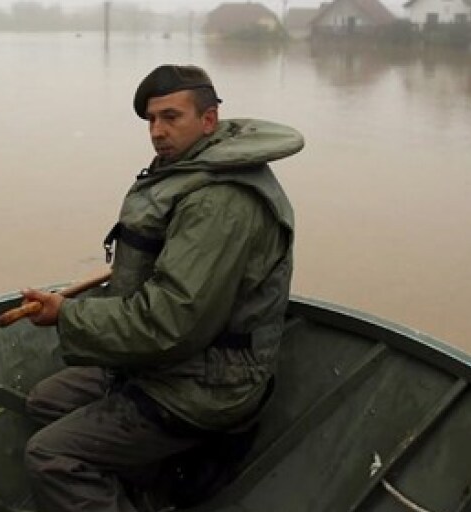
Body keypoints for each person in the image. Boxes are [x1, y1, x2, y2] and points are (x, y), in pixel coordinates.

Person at [19, 64, 303, 511]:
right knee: (46, 400)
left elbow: (172, 321)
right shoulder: (190, 170)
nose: (157, 131)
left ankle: (161, 481)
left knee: (50, 454)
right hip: (175, 359)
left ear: (208, 121)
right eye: (152, 120)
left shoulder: (219, 202)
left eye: (172, 117)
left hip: (210, 381)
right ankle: (155, 492)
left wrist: (68, 315)